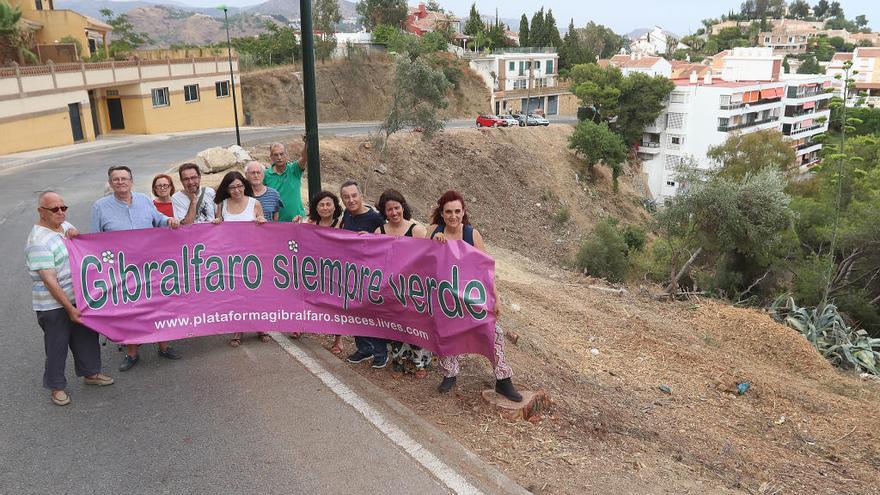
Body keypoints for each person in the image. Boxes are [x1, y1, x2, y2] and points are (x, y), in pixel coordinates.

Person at [428, 190, 522, 402]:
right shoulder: (434, 231)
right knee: (445, 334)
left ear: (464, 212)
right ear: (442, 214)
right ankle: (450, 373)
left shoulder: (471, 234)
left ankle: (503, 380)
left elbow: (486, 270)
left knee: (493, 332)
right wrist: (434, 242)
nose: (453, 216)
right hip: (444, 298)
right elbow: (424, 260)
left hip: (471, 297)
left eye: (457, 211)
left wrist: (495, 298)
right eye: (448, 212)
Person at [26, 191, 114, 406]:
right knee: (57, 345)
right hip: (53, 304)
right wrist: (68, 307)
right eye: (54, 209)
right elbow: (49, 280)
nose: (60, 212)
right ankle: (56, 387)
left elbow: (78, 248)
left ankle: (91, 374)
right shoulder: (38, 241)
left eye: (63, 208)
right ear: (41, 211)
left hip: (78, 296)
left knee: (86, 336)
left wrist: (75, 233)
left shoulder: (63, 225)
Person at [91, 165, 182, 372]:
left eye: (124, 178)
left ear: (131, 181)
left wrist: (169, 220)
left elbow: (158, 220)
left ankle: (164, 345)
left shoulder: (143, 200)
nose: (121, 182)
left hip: (151, 266)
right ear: (110, 183)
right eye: (116, 179)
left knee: (158, 306)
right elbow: (95, 240)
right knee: (129, 312)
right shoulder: (100, 206)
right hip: (122, 270)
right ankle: (132, 352)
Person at [373, 189, 432, 377]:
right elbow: (375, 258)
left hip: (414, 287)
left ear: (403, 207)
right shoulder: (379, 231)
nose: (394, 212)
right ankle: (398, 360)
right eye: (389, 209)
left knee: (415, 325)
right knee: (395, 325)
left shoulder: (416, 229)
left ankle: (419, 362)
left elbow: (428, 257)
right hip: (391, 287)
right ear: (384, 211)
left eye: (396, 208)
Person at [213, 171, 268, 346]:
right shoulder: (222, 205)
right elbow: (218, 228)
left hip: (253, 257)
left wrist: (261, 220)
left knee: (255, 293)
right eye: (232, 187)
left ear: (245, 186)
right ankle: (239, 329)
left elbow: (263, 227)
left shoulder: (254, 203)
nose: (236, 190)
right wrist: (216, 223)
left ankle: (261, 327)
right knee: (236, 295)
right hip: (232, 258)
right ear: (227, 189)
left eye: (239, 186)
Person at [339, 180, 388, 368]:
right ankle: (364, 348)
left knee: (371, 313)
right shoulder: (346, 215)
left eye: (354, 195)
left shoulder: (375, 219)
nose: (351, 200)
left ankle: (380, 352)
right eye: (346, 197)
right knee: (354, 311)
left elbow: (386, 242)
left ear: (361, 196)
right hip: (351, 274)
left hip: (371, 275)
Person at [304, 190, 343, 350]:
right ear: (316, 207)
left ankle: (338, 339)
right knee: (306, 298)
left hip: (335, 270)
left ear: (335, 207)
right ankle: (301, 326)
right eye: (321, 204)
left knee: (336, 305)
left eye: (328, 204)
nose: (325, 208)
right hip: (314, 269)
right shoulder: (310, 224)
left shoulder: (342, 224)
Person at [263, 138, 307, 222]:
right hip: (277, 223)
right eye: (276, 155)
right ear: (271, 157)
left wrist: (307, 143)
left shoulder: (294, 169)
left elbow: (304, 157)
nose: (279, 157)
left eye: (281, 154)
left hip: (297, 220)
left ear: (286, 155)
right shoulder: (265, 175)